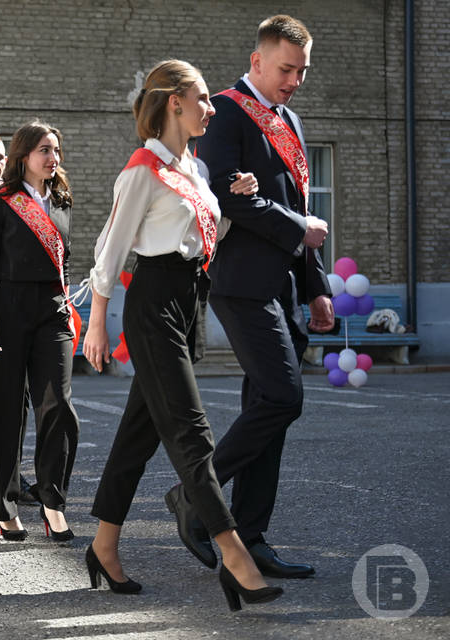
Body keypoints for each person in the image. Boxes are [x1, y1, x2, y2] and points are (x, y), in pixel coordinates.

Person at [83, 59, 282, 609]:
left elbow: (196, 238)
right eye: (202, 99)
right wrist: (98, 321)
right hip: (152, 306)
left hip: (186, 299)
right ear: (174, 102)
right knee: (193, 434)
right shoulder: (142, 169)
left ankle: (103, 547)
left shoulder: (192, 169)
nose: (211, 108)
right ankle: (234, 557)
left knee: (136, 437)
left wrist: (233, 203)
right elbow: (111, 247)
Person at [166, 15, 333, 581]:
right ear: (258, 60)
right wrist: (296, 229)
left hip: (285, 286)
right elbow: (219, 196)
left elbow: (297, 198)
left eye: (302, 70)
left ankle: (253, 537)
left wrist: (316, 288)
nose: (295, 80)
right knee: (284, 399)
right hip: (240, 283)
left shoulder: (290, 119)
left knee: (267, 413)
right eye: (287, 69)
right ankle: (194, 495)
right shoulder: (225, 111)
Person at [0, 121, 79, 542]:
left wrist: (71, 305)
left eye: (55, 149)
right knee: (5, 411)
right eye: (43, 150)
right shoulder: (1, 202)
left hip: (53, 312)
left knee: (60, 406)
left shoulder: (62, 199)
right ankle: (5, 505)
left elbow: (65, 260)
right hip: (9, 311)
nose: (52, 158)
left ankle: (52, 499)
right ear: (23, 155)